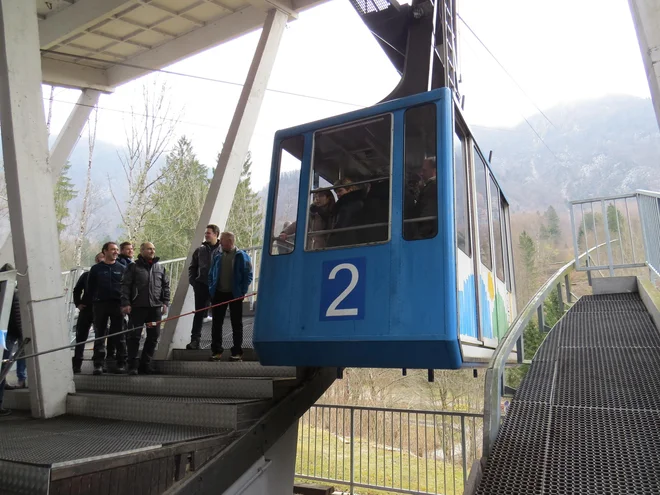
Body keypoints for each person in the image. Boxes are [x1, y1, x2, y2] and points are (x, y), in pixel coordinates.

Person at [121, 242, 170, 375]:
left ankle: (145, 365)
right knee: (134, 336)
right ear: (142, 250)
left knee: (153, 336)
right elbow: (125, 286)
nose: (152, 251)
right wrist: (126, 303)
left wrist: (165, 302)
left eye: (153, 249)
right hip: (137, 308)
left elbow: (166, 286)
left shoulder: (160, 267)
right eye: (149, 249)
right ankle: (132, 366)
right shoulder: (133, 267)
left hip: (155, 309)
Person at [207, 232, 253, 361]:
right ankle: (216, 351)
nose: (220, 242)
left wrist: (242, 291)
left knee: (236, 323)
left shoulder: (242, 256)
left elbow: (248, 275)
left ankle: (237, 351)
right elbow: (211, 274)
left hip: (235, 294)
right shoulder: (217, 256)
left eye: (222, 240)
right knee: (216, 323)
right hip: (218, 294)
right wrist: (212, 289)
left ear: (229, 241)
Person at [86, 242, 127, 375]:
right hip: (100, 305)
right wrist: (91, 302)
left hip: (117, 305)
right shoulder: (96, 269)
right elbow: (90, 288)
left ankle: (121, 362)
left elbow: (126, 288)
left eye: (116, 250)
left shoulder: (122, 268)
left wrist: (125, 304)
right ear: (105, 251)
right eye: (112, 249)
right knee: (100, 335)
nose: (115, 252)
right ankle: (98, 364)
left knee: (119, 334)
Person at [186, 224, 222, 350]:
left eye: (209, 233)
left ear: (216, 234)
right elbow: (192, 268)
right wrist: (194, 282)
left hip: (218, 286)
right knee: (199, 314)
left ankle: (216, 343)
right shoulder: (199, 250)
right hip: (201, 285)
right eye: (206, 233)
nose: (206, 235)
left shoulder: (223, 250)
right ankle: (195, 341)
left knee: (217, 314)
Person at [71, 252, 104, 374]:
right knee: (81, 337)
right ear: (96, 261)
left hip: (101, 310)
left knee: (100, 337)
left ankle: (98, 364)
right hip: (86, 309)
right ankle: (77, 364)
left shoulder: (108, 275)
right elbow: (77, 290)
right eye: (100, 259)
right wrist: (78, 303)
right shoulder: (86, 275)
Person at [327, 178, 365, 248]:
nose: (338, 194)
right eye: (336, 192)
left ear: (349, 189)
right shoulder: (343, 204)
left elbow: (341, 224)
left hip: (348, 240)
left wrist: (330, 242)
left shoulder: (350, 204)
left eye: (340, 191)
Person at [412, 157, 438, 239]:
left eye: (424, 170)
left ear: (434, 171)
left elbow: (428, 211)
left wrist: (420, 235)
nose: (421, 174)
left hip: (426, 234)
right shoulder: (431, 186)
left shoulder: (432, 186)